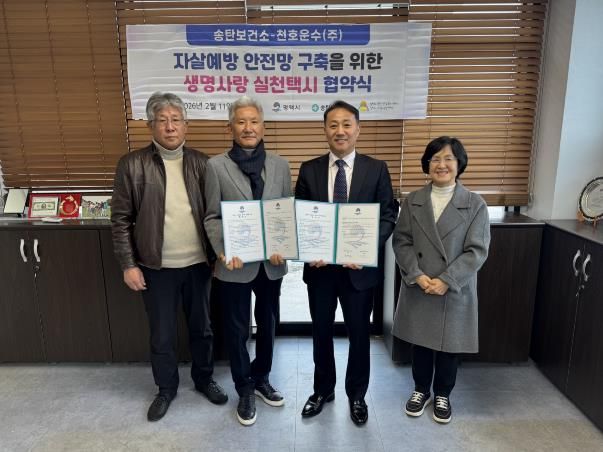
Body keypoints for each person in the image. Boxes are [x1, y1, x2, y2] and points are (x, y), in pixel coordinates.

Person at [111, 92, 228, 422]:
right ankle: (166, 388)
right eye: (162, 120)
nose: (170, 126)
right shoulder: (132, 165)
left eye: (176, 120)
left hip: (199, 265)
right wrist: (128, 264)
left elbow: (216, 214)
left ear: (186, 125)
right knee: (162, 334)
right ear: (151, 125)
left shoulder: (203, 163)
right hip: (155, 267)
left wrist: (219, 254)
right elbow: (120, 219)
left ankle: (204, 379)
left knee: (202, 329)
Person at [295, 100, 397, 426]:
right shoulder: (309, 169)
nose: (340, 131)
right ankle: (323, 390)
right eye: (333, 124)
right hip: (321, 271)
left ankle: (357, 394)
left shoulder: (376, 168)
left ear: (358, 129)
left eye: (346, 124)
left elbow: (388, 215)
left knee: (359, 335)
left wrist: (365, 249)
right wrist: (309, 248)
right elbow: (301, 216)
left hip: (359, 273)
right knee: (321, 333)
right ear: (325, 130)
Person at [204, 96, 291, 426]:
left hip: (271, 263)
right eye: (241, 122)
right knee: (238, 329)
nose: (248, 127)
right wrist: (223, 250)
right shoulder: (216, 166)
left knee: (268, 325)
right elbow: (212, 216)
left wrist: (284, 244)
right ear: (231, 127)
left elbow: (285, 211)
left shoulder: (280, 165)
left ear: (263, 126)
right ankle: (244, 387)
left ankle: (262, 378)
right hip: (235, 264)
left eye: (254, 121)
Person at [392, 136, 490, 424]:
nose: (442, 164)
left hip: (454, 287)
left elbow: (477, 250)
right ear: (427, 164)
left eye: (448, 158)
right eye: (435, 159)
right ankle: (421, 390)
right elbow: (402, 241)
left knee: (450, 346)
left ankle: (443, 393)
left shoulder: (475, 204)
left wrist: (447, 279)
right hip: (420, 284)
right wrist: (416, 274)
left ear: (459, 164)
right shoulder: (413, 200)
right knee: (421, 343)